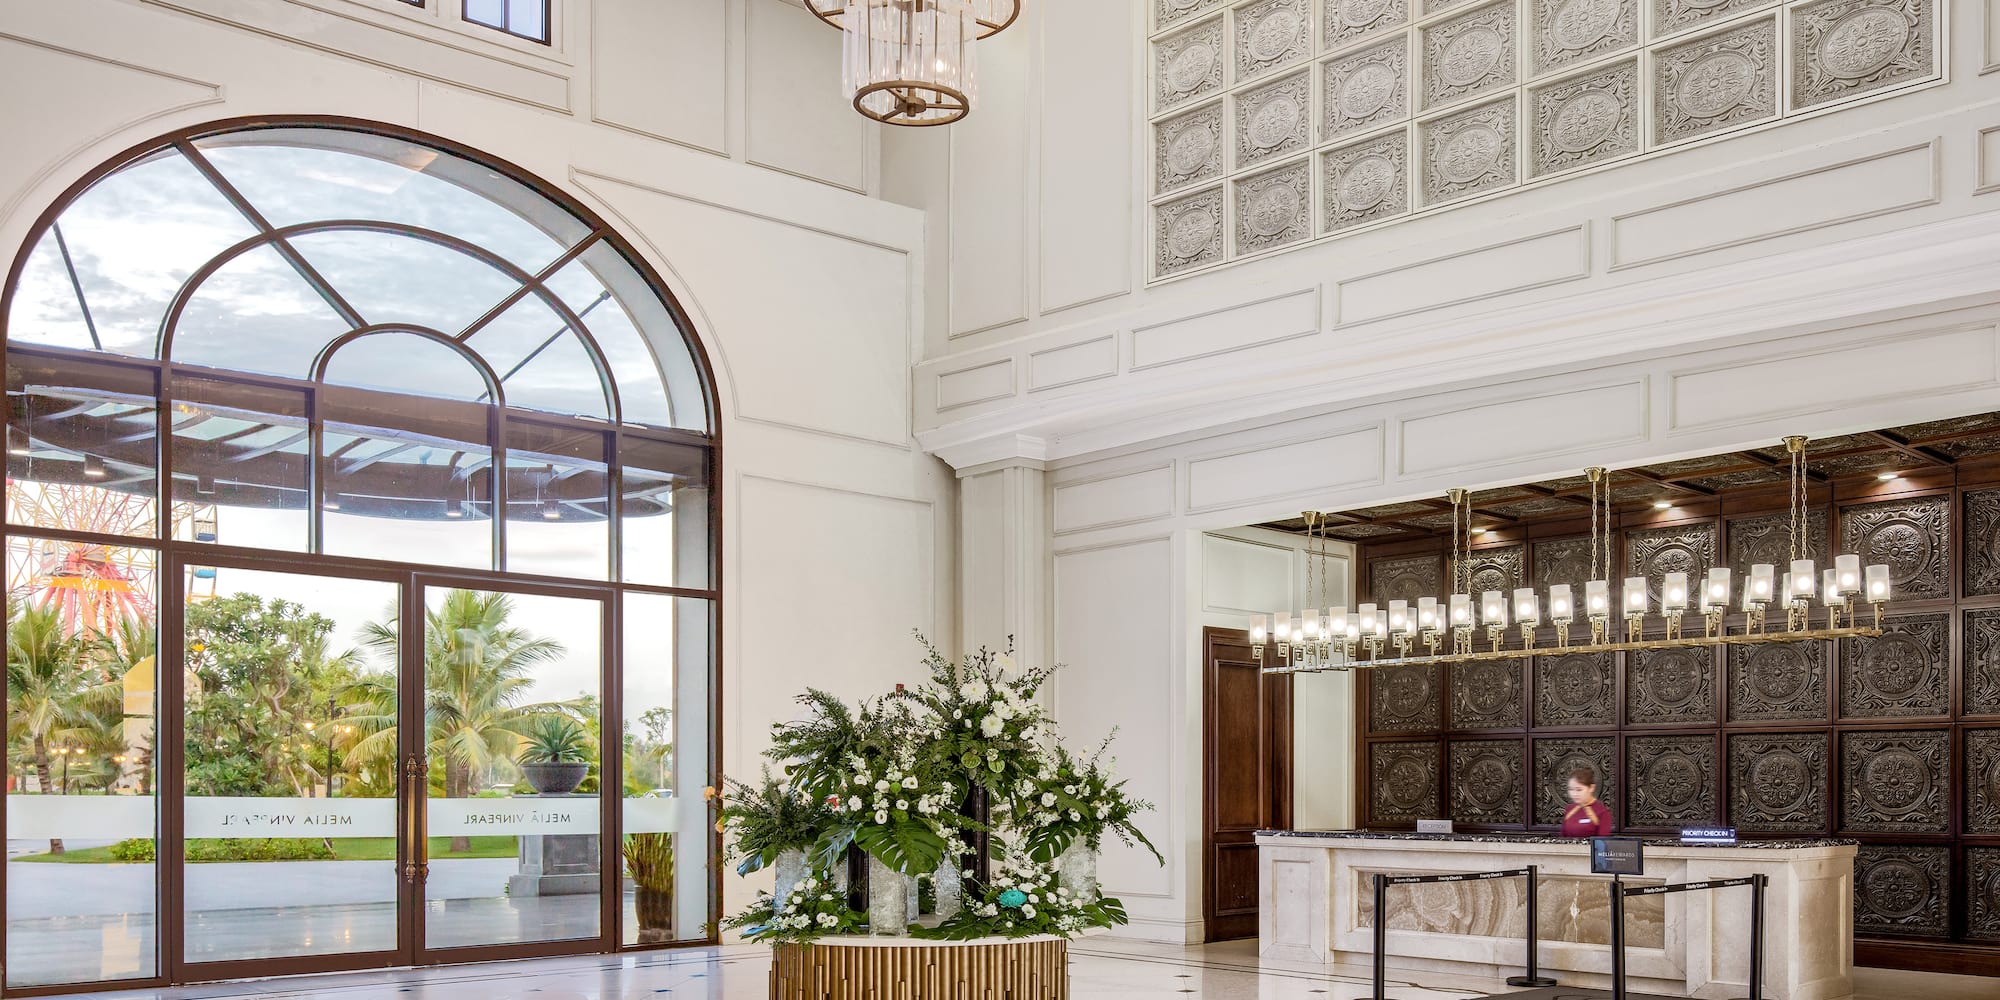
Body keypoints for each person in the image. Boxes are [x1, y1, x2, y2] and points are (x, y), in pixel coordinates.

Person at [1560, 766, 1614, 837]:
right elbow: (1563, 837)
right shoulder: (1569, 809)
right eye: (1571, 789)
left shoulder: (1601, 811)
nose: (1574, 794)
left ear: (1591, 788)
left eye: (1579, 790)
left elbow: (1601, 843)